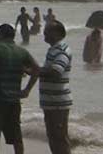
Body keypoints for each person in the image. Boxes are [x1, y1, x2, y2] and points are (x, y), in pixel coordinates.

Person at [0, 22, 40, 154]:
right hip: (14, 100)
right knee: (16, 136)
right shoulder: (22, 51)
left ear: (1, 34)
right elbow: (36, 69)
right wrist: (27, 90)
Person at [39, 19, 72, 154]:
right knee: (52, 137)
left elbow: (55, 72)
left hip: (58, 102)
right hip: (50, 102)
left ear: (57, 33)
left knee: (60, 137)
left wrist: (34, 70)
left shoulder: (62, 50)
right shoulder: (52, 50)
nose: (44, 33)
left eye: (47, 31)